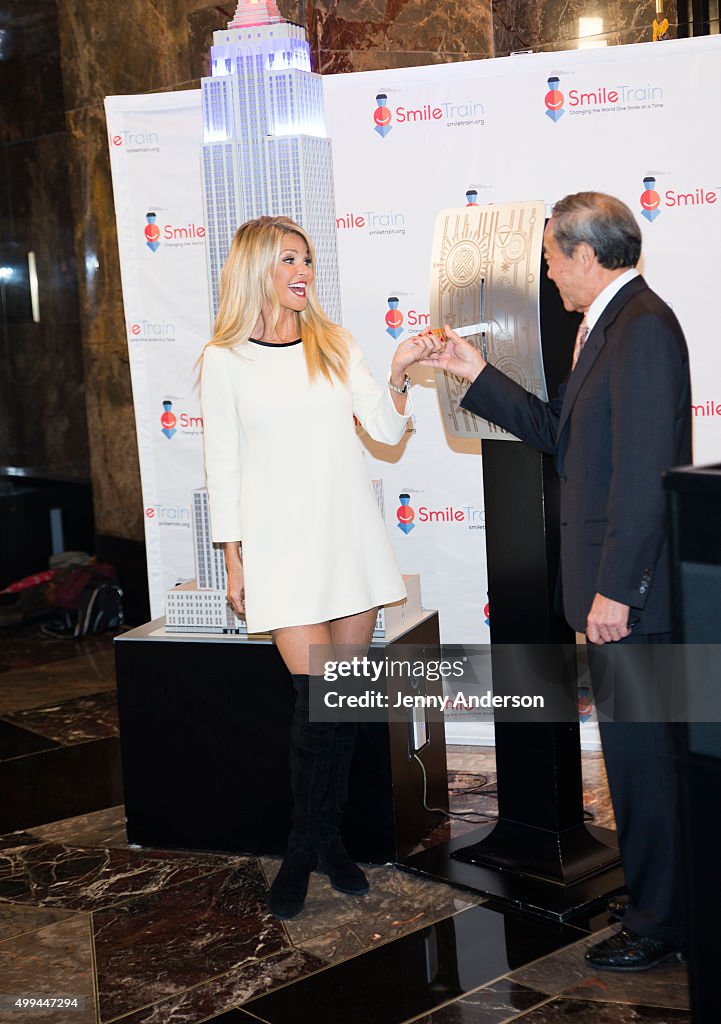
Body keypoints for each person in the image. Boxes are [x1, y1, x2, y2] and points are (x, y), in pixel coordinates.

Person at [421, 192, 691, 971]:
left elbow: (644, 477)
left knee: (643, 770)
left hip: (630, 599)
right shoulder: (602, 327)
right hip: (619, 595)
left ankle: (660, 922)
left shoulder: (639, 329)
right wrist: (473, 370)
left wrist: (618, 591)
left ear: (583, 255)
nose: (545, 271)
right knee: (638, 765)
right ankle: (659, 900)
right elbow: (555, 434)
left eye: (549, 257)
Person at [200, 215, 442, 920]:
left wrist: (398, 371)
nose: (301, 270)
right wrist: (234, 561)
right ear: (255, 271)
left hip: (348, 544)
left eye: (305, 258)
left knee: (341, 707)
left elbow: (387, 429)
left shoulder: (334, 345)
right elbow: (225, 469)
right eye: (287, 260)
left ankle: (326, 842)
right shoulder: (224, 359)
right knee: (314, 707)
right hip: (280, 551)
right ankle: (303, 849)